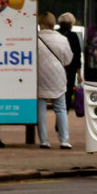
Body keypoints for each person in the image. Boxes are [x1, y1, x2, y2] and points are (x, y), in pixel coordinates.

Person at [36, 13, 73, 149]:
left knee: (41, 110)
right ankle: (64, 140)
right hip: (57, 77)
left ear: (40, 23)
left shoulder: (35, 39)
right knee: (61, 109)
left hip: (39, 77)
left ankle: (44, 141)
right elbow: (68, 60)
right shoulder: (62, 39)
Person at [57, 12, 83, 111]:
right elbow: (77, 55)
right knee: (68, 94)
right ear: (71, 24)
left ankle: (59, 114)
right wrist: (79, 74)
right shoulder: (73, 36)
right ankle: (64, 113)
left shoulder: (56, 34)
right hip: (70, 70)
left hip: (57, 68)